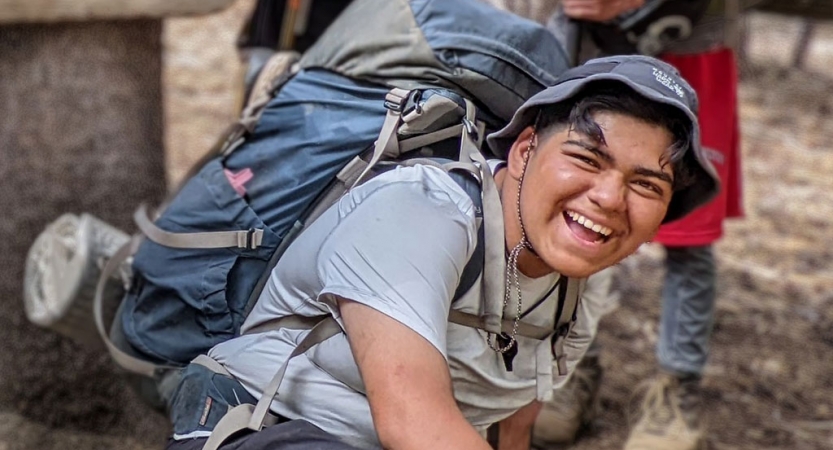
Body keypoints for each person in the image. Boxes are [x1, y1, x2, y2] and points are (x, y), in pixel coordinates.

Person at [165, 55, 717, 450]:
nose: (609, 199)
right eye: (587, 159)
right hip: (263, 421)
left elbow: (513, 415)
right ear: (525, 150)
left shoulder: (582, 276)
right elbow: (412, 422)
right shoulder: (420, 211)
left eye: (646, 185)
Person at [530, 1, 744, 450]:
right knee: (582, 211)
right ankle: (570, 366)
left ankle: (676, 390)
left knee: (689, 234)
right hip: (591, 46)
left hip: (689, 43)